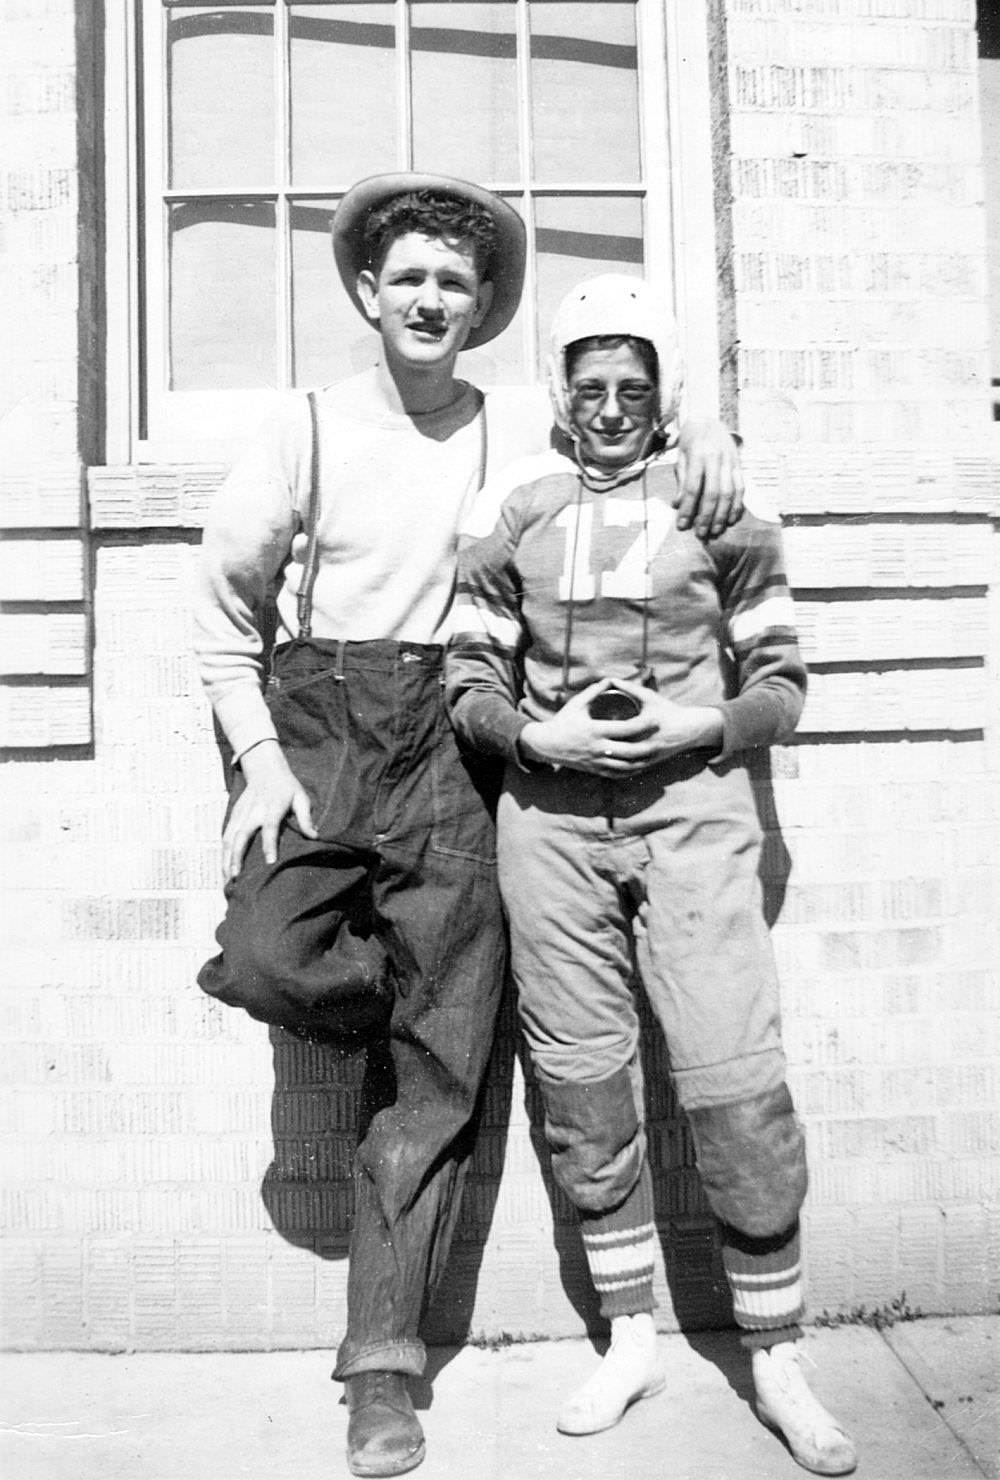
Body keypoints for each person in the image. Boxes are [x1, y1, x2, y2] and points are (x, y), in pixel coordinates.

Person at [193, 176, 746, 1479]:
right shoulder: (304, 430)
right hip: (324, 748)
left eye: (459, 282)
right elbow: (221, 614)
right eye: (413, 280)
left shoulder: (521, 438)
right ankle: (389, 994)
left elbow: (628, 458)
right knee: (271, 955)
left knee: (434, 1088)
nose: (435, 299)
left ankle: (383, 1375)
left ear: (481, 304)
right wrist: (260, 759)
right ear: (369, 295)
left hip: (457, 755)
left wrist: (705, 426)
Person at [445, 274, 858, 1476]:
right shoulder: (514, 502)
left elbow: (781, 680)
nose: (612, 407)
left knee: (732, 1070)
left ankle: (775, 1347)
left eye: (634, 387)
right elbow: (469, 677)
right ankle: (631, 1334)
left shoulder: (720, 495)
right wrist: (536, 738)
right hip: (552, 819)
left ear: (663, 391)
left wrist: (699, 726)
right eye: (590, 387)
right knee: (580, 1078)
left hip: (692, 810)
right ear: (561, 396)